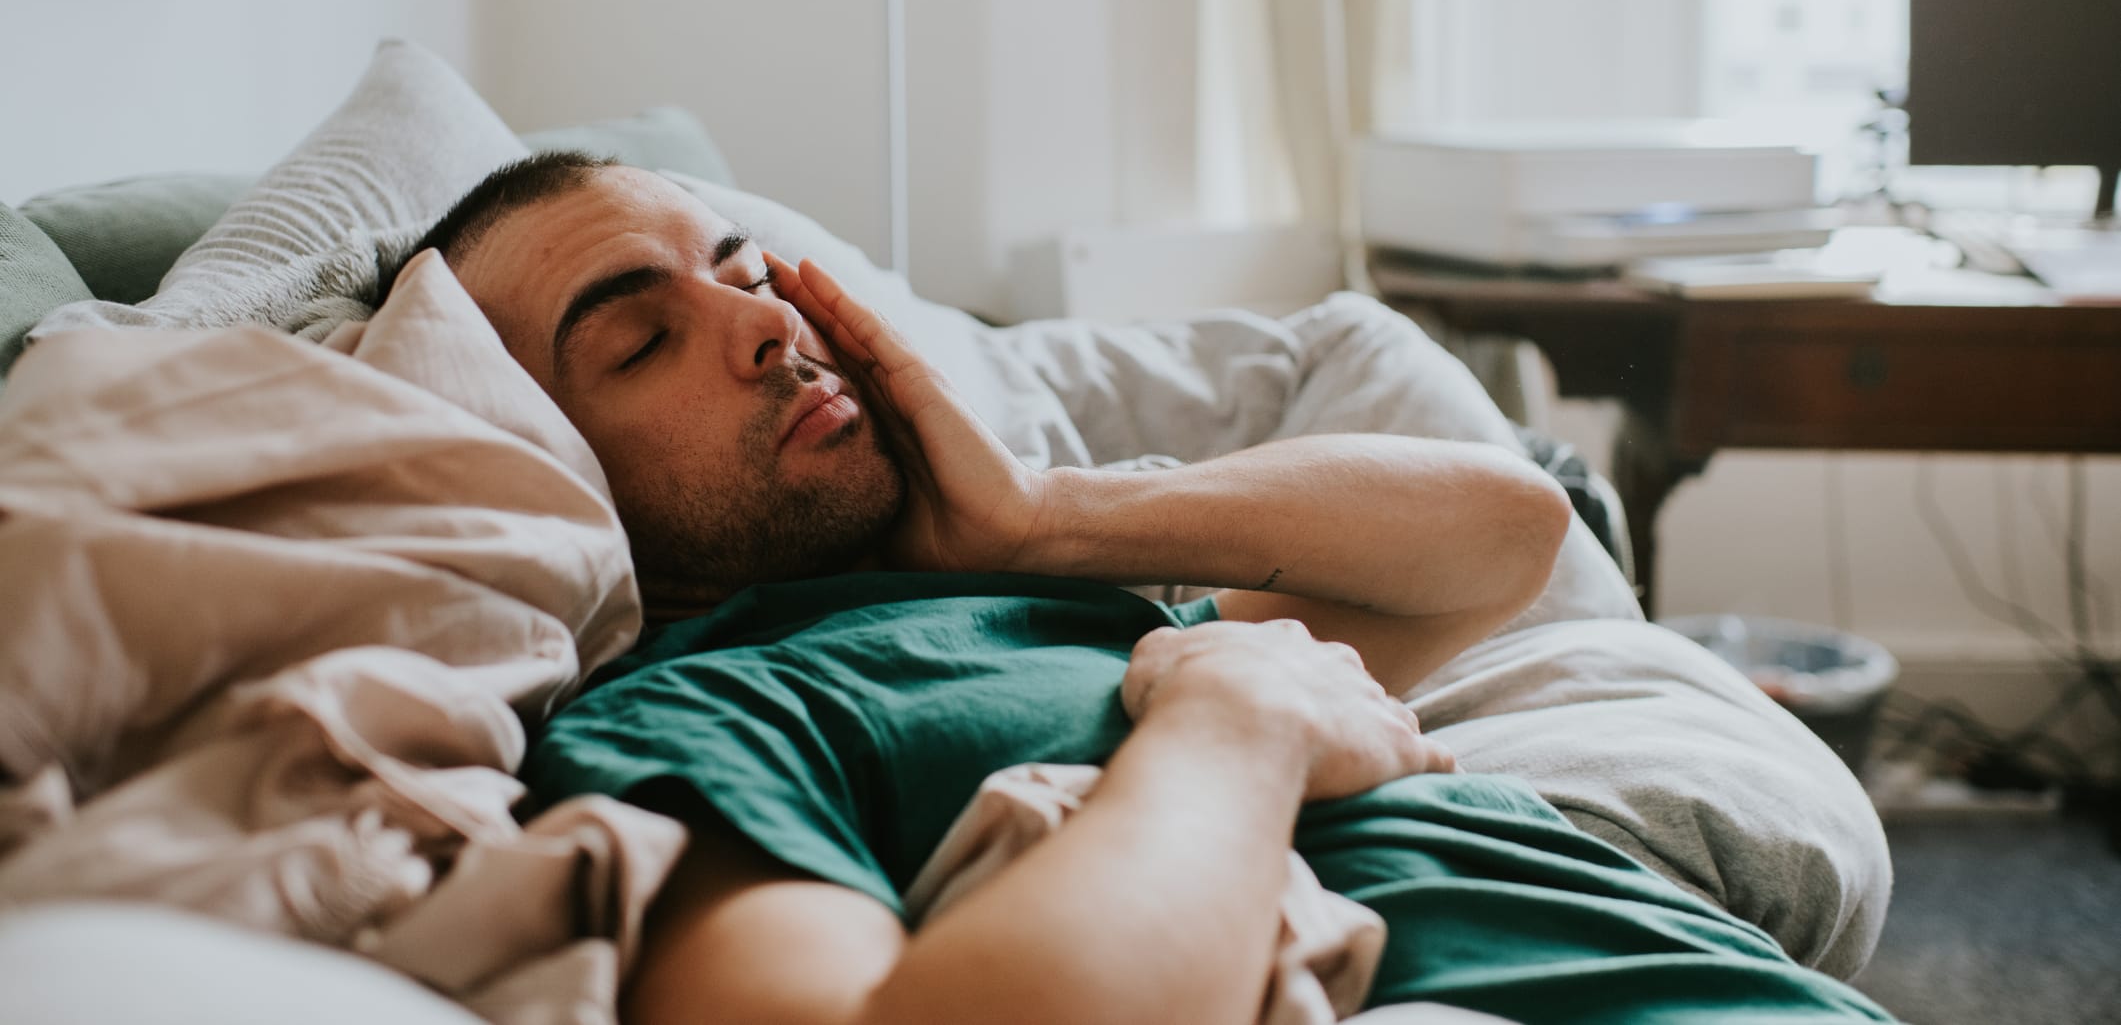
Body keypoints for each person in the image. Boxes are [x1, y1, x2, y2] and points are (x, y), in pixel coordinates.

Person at [410, 153, 1895, 1025]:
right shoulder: (696, 721)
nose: (757, 329)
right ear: (544, 450)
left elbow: (1502, 538)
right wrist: (1235, 726)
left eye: (744, 271)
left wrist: (1042, 517)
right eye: (636, 339)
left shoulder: (1041, 607)